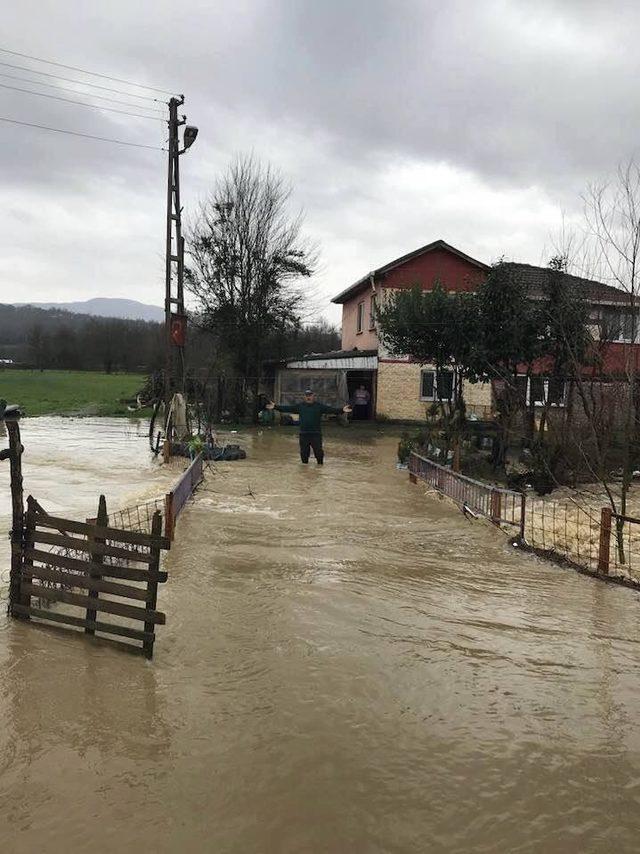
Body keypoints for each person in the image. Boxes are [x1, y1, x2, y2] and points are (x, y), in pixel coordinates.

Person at [267, 389, 352, 464]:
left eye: (310, 395)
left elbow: (331, 410)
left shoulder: (319, 406)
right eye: (307, 396)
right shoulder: (300, 406)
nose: (308, 397)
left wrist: (342, 410)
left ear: (313, 396)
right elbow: (287, 408)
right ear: (304, 397)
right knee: (304, 454)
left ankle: (320, 469)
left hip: (316, 434)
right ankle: (304, 473)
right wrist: (275, 407)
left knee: (319, 453)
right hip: (303, 434)